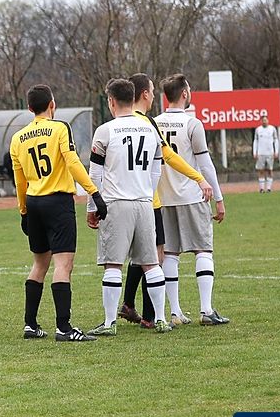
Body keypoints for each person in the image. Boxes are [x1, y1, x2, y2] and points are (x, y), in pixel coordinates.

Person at [9, 85, 104, 342]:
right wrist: (93, 192)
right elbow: (72, 161)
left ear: (29, 108)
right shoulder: (60, 128)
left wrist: (23, 211)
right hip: (58, 202)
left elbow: (19, 180)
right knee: (63, 265)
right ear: (52, 104)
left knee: (39, 264)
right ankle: (64, 328)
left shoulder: (17, 138)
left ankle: (30, 324)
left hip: (33, 202)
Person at [120, 73, 213, 328]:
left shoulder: (120, 124)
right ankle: (152, 317)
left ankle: (130, 304)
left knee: (142, 255)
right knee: (155, 257)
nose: (153, 95)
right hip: (151, 200)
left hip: (127, 198)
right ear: (144, 94)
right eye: (151, 90)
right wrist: (199, 178)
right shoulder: (147, 123)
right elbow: (168, 156)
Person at [86, 78, 171, 335]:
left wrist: (92, 207)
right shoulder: (150, 129)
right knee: (151, 264)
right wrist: (146, 193)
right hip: (144, 204)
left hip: (116, 203)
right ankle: (160, 319)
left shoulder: (105, 131)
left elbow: (95, 175)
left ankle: (109, 323)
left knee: (113, 265)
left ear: (111, 101)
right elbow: (156, 171)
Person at [155, 73, 229, 325]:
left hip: (164, 197)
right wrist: (218, 197)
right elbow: (205, 164)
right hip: (192, 195)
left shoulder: (155, 123)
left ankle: (175, 312)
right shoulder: (192, 123)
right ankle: (206, 310)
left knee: (170, 254)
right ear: (184, 93)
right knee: (203, 250)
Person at [253, 114, 279, 193]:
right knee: (261, 171)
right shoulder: (258, 129)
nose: (264, 122)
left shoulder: (272, 129)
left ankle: (269, 188)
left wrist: (276, 151)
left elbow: (276, 140)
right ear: (261, 121)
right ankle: (261, 189)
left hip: (270, 153)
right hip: (261, 153)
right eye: (263, 120)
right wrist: (255, 152)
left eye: (265, 120)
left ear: (268, 120)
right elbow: (256, 141)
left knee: (269, 170)